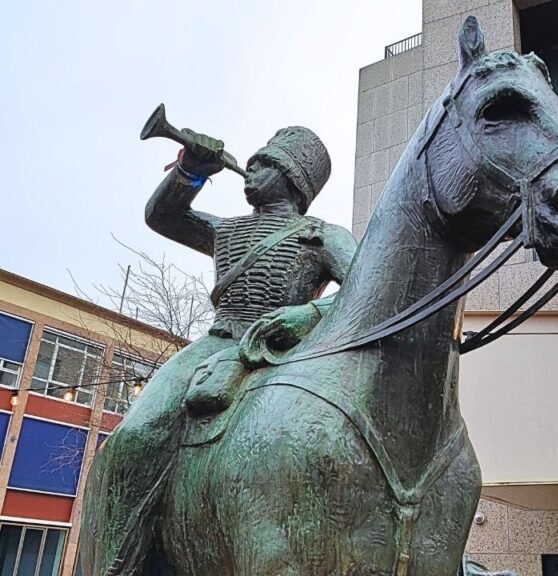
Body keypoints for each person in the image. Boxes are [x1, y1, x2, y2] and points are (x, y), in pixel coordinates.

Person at [80, 126, 358, 576]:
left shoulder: (322, 236)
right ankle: (111, 562)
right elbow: (163, 216)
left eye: (265, 164)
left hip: (289, 349)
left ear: (292, 178)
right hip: (218, 344)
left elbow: (365, 288)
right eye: (252, 162)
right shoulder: (226, 230)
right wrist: (190, 171)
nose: (250, 170)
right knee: (133, 437)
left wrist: (307, 315)